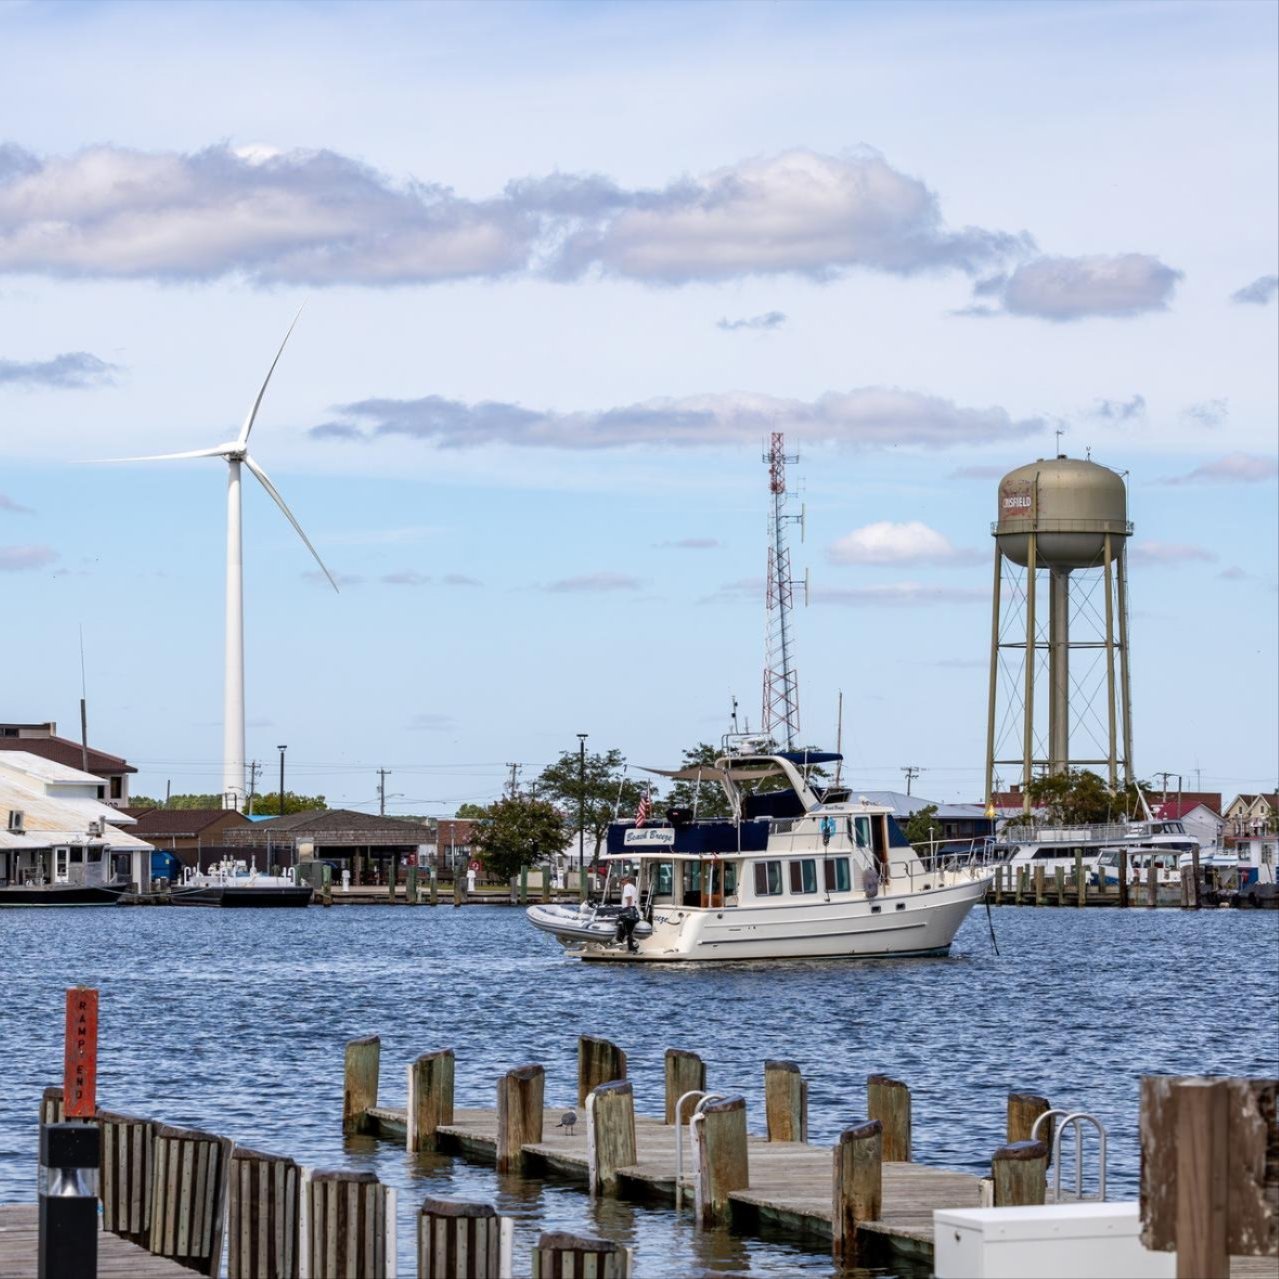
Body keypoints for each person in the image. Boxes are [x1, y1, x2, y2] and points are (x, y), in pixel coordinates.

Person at [617, 874, 640, 953]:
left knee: (621, 925)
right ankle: (631, 946)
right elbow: (634, 899)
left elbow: (629, 898)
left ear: (626, 880)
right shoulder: (632, 886)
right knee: (629, 930)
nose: (620, 882)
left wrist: (626, 909)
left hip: (628, 910)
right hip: (633, 909)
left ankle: (623, 942)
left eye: (621, 880)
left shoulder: (626, 887)